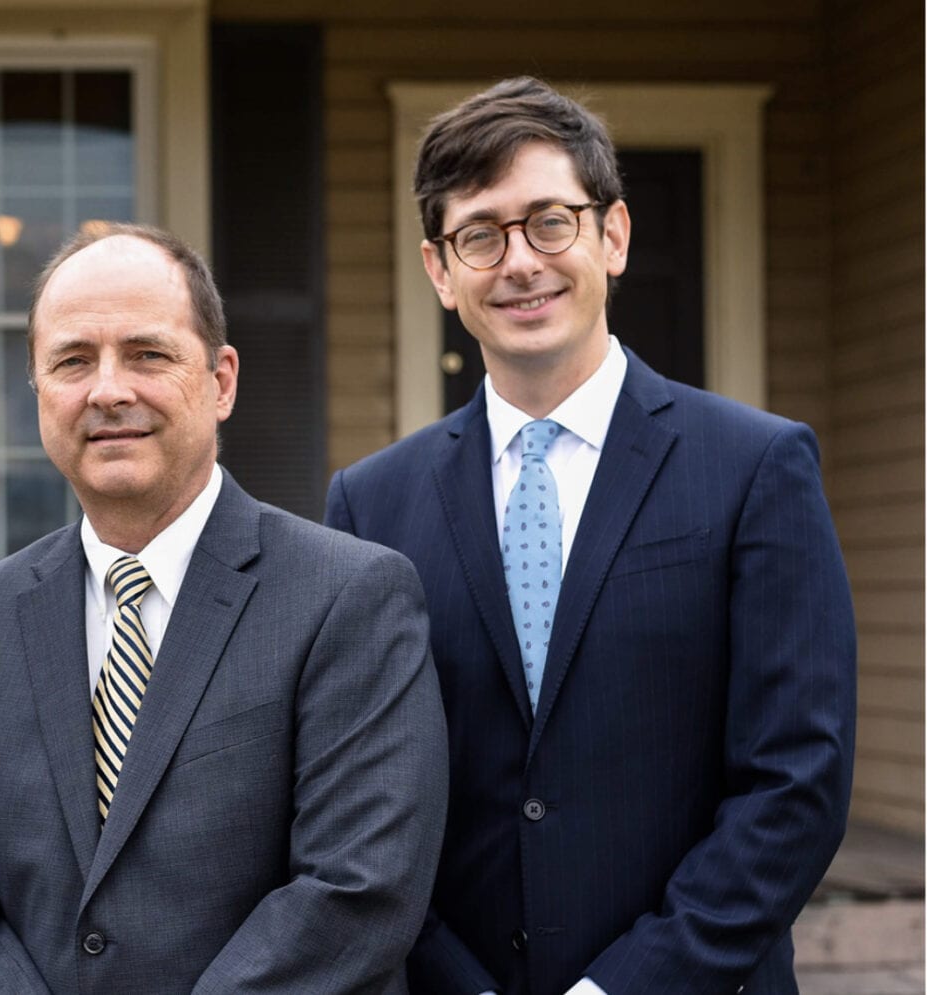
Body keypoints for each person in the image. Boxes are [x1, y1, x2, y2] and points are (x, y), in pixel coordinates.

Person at [325, 77, 855, 995]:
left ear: (612, 236)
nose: (519, 261)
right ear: (440, 271)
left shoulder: (756, 467)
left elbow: (795, 782)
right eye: (481, 235)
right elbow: (363, 802)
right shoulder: (372, 505)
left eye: (550, 222)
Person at [0, 222, 449, 993]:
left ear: (221, 380)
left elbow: (359, 889)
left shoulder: (348, 597)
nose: (108, 389)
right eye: (73, 360)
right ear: (39, 391)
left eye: (148, 354)